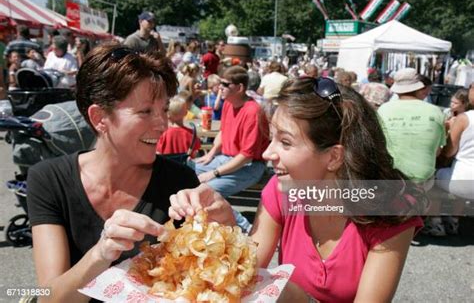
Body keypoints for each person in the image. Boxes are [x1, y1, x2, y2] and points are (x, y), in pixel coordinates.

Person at [169, 77, 423, 302]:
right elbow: (246, 271)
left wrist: (298, 299)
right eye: (272, 138)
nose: (268, 153)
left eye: (285, 142)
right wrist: (224, 225)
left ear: (334, 157)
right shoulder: (280, 191)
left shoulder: (390, 209)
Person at [27, 43, 201, 301]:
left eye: (164, 109)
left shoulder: (181, 182)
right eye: (145, 111)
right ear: (99, 117)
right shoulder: (49, 179)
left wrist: (222, 226)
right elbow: (49, 297)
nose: (162, 124)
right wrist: (101, 253)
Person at [194, 66, 269, 232]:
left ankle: (246, 228)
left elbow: (246, 157)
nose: (220, 87)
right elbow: (223, 131)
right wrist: (211, 154)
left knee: (208, 192)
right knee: (186, 169)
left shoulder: (253, 111)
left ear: (240, 88)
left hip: (250, 166)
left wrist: (213, 173)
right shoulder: (228, 103)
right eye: (220, 82)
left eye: (225, 84)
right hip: (226, 159)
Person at [378, 68, 446, 186]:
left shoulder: (383, 109)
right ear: (419, 88)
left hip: (390, 175)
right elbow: (437, 151)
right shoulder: (436, 111)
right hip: (422, 177)